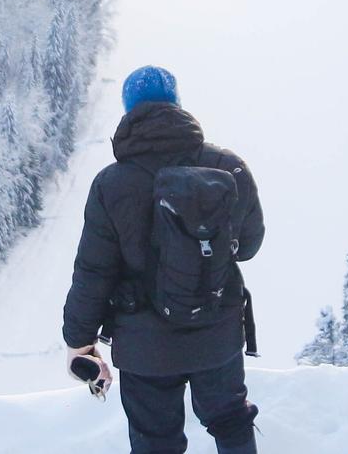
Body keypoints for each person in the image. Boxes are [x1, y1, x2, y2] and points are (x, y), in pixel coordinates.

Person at [63, 66, 264, 453]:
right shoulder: (228, 167)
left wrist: (79, 343)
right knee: (231, 423)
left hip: (144, 349)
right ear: (177, 104)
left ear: (129, 111)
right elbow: (250, 245)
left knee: (155, 443)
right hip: (217, 332)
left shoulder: (111, 184)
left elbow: (93, 273)